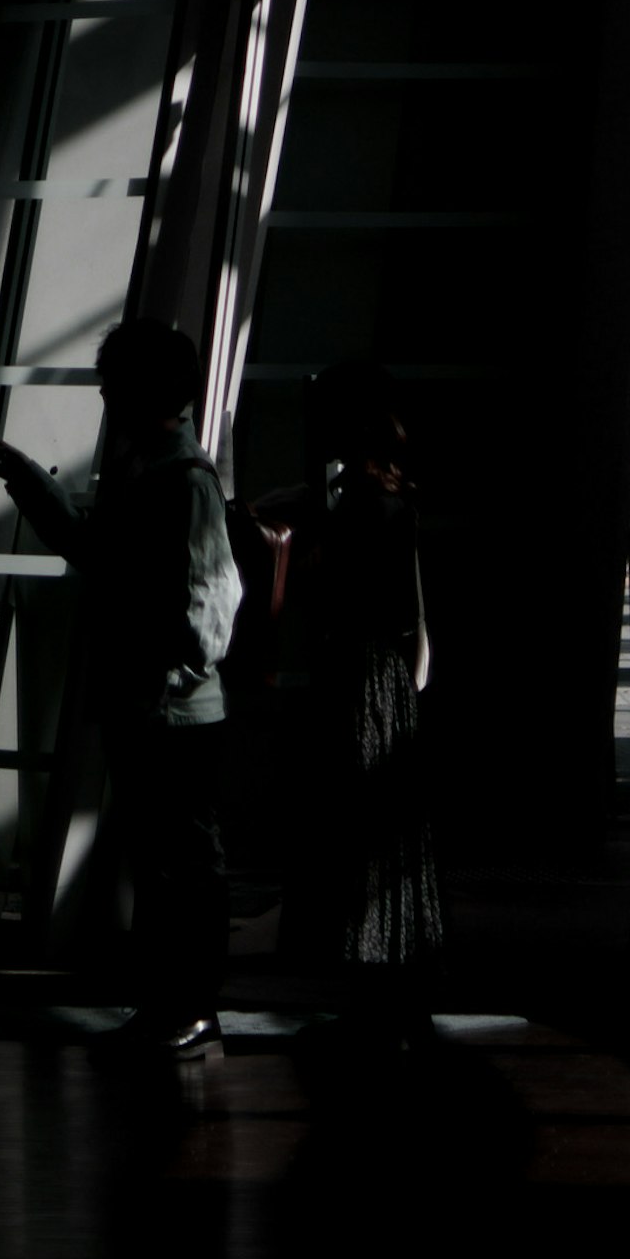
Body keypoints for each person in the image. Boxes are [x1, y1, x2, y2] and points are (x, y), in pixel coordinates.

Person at [0, 313, 242, 1053]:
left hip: (167, 708)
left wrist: (160, 671)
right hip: (169, 705)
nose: (104, 397)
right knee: (175, 863)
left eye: (111, 383)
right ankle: (179, 1004)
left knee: (177, 866)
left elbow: (186, 601)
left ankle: (186, 1005)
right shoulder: (167, 473)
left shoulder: (171, 479)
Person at [262, 365, 441, 1015]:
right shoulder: (401, 508)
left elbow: (321, 583)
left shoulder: (354, 510)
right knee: (385, 817)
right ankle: (388, 946)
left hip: (354, 671)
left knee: (345, 810)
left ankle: (349, 943)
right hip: (388, 672)